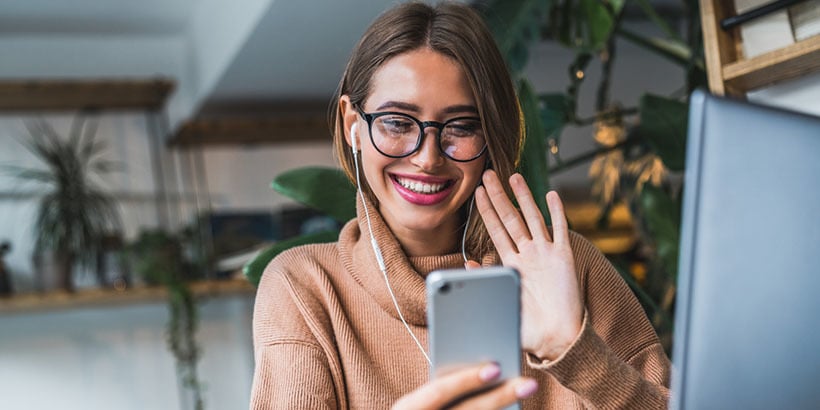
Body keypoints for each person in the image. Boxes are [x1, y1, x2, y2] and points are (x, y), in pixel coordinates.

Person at [250, 2, 671, 409]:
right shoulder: (304, 288)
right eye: (397, 122)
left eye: (462, 126)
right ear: (352, 126)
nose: (428, 157)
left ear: (491, 138)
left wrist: (574, 353)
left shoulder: (567, 269)